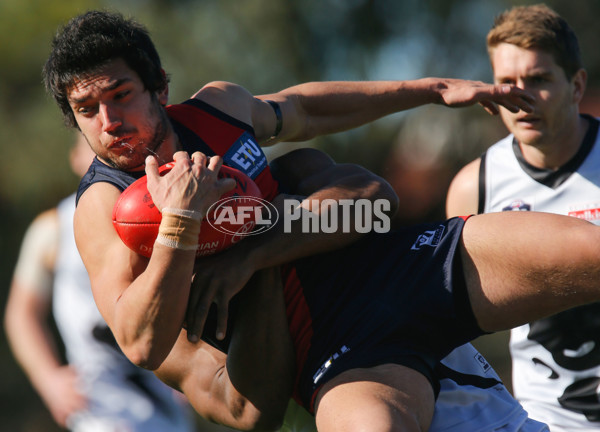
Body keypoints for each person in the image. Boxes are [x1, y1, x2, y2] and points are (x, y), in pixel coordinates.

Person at [41, 10, 563, 432]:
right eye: (87, 109)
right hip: (337, 353)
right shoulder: (103, 208)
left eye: (120, 95)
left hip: (399, 271)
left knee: (577, 249)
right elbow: (141, 344)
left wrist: (427, 90)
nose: (109, 123)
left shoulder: (217, 109)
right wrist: (181, 222)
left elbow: (312, 115)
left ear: (158, 85)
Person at [445, 4, 600, 431]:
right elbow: (455, 319)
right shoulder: (472, 186)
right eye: (506, 83)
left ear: (576, 84)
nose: (521, 97)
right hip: (546, 416)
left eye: (539, 80)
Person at [4, 133, 195, 432]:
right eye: (92, 153)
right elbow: (21, 313)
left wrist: (192, 365)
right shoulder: (52, 228)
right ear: (75, 160)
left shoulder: (166, 214)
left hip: (165, 398)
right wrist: (48, 378)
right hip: (101, 404)